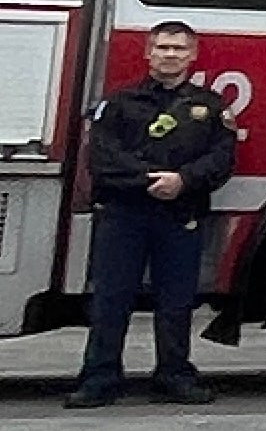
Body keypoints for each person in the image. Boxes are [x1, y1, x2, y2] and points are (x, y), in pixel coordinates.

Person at [65, 20, 238, 407]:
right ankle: (99, 378)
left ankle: (174, 375)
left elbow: (222, 160)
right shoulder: (118, 103)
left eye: (179, 49)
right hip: (124, 213)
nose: (170, 55)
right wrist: (148, 180)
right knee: (111, 299)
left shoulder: (211, 108)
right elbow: (101, 158)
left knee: (176, 301)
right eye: (162, 48)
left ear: (193, 55)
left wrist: (183, 181)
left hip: (180, 214)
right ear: (148, 53)